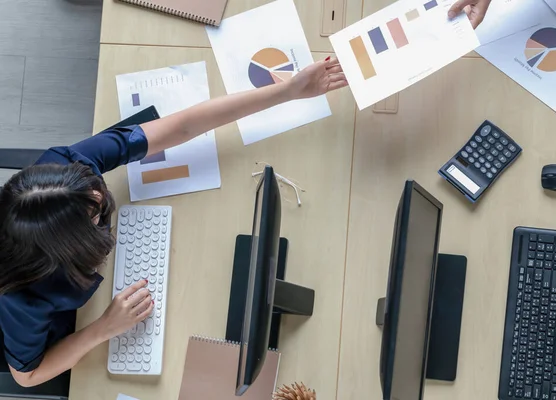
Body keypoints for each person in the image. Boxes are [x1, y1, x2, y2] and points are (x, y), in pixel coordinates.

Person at [0, 57, 347, 388]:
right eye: (96, 216)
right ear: (70, 248)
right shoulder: (21, 298)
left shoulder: (66, 169)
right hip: (73, 326)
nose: (102, 201)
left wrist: (288, 91)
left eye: (96, 193)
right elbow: (26, 375)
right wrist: (105, 327)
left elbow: (180, 126)